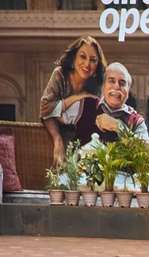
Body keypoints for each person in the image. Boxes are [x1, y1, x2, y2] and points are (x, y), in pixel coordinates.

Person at [40, 36, 106, 166]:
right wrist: (57, 139)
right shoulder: (60, 74)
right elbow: (45, 109)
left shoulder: (98, 85)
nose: (87, 64)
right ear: (74, 58)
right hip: (55, 135)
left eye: (93, 60)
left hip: (85, 143)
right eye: (82, 56)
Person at [55, 63, 149, 149]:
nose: (117, 86)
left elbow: (148, 152)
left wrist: (118, 127)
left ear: (128, 90)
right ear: (103, 86)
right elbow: (52, 114)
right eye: (111, 81)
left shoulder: (136, 120)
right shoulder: (83, 105)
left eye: (122, 83)